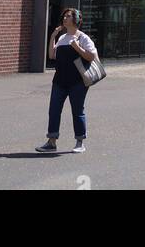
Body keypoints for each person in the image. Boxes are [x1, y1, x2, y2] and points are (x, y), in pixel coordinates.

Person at [35, 8, 99, 155]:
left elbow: (91, 57)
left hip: (77, 82)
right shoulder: (62, 38)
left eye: (68, 16)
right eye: (64, 16)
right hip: (59, 81)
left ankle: (79, 141)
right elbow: (52, 55)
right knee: (54, 110)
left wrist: (77, 48)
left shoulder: (83, 38)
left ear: (76, 19)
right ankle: (51, 142)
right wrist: (53, 36)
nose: (64, 18)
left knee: (77, 111)